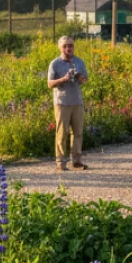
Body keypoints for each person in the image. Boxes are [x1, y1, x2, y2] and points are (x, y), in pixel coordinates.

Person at [47, 35, 88, 170]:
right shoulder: (55, 63)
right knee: (62, 133)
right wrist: (64, 79)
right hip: (62, 102)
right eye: (65, 46)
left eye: (70, 45)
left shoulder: (79, 62)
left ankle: (76, 161)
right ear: (60, 48)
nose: (68, 48)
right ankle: (61, 162)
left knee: (78, 133)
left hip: (77, 101)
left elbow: (85, 80)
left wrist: (80, 78)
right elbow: (50, 84)